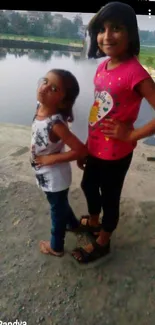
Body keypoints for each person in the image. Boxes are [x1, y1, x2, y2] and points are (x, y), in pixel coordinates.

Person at [72, 1, 155, 264]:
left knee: (110, 198)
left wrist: (131, 135)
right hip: (96, 147)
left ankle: (103, 241)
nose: (107, 36)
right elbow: (99, 109)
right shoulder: (103, 67)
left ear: (130, 33)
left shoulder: (136, 74)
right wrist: (86, 143)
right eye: (102, 29)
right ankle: (94, 222)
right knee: (87, 184)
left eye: (116, 28)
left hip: (117, 153)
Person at [30, 68, 88, 257]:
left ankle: (56, 246)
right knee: (59, 203)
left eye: (54, 88)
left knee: (56, 209)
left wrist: (49, 158)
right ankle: (73, 225)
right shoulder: (40, 106)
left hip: (55, 177)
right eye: (45, 81)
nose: (45, 87)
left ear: (63, 101)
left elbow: (80, 149)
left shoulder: (55, 124)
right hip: (45, 173)